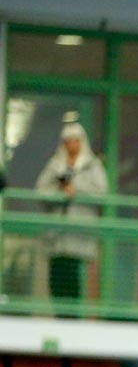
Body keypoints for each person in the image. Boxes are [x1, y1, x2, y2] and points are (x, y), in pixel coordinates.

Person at [33, 120, 108, 307]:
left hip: (79, 237)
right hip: (57, 238)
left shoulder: (92, 165)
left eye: (75, 141)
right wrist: (60, 192)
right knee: (57, 281)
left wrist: (77, 190)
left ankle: (74, 319)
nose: (72, 146)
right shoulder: (55, 165)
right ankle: (59, 316)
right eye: (68, 142)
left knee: (76, 281)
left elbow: (101, 193)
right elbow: (41, 192)